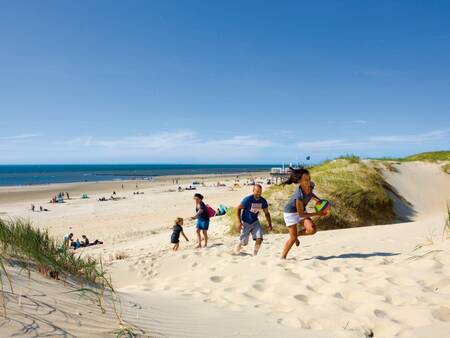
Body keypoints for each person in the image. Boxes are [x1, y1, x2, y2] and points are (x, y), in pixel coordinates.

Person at [281, 168, 327, 259]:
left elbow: (311, 194)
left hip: (301, 211)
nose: (308, 182)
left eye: (309, 179)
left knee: (312, 230)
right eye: (305, 180)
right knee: (293, 239)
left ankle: (297, 234)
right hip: (290, 213)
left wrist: (319, 201)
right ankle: (283, 257)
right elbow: (301, 214)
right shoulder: (299, 196)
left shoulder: (311, 185)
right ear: (300, 181)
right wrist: (317, 213)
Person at [234, 185, 272, 256]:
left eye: (260, 192)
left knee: (259, 238)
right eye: (257, 191)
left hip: (255, 222)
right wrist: (239, 221)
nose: (258, 193)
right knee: (244, 242)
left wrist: (270, 224)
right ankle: (238, 246)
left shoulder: (263, 201)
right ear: (253, 191)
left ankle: (255, 254)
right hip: (246, 222)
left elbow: (267, 213)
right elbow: (238, 208)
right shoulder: (248, 199)